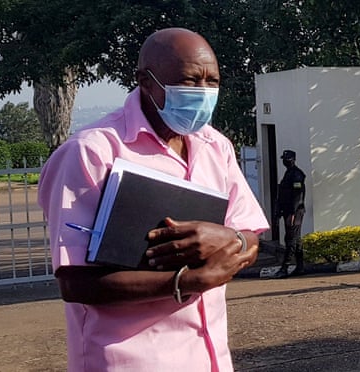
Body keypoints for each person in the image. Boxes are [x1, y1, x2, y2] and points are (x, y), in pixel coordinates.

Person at [37, 28, 269, 371]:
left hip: (208, 359)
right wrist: (188, 282)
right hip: (128, 362)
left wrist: (229, 238)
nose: (203, 93)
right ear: (145, 81)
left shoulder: (216, 147)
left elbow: (250, 237)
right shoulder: (92, 153)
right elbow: (75, 281)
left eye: (212, 81)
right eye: (190, 81)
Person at [272, 150, 306, 279]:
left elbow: (298, 196)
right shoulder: (288, 174)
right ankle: (300, 266)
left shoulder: (297, 175)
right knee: (295, 238)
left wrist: (292, 212)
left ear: (293, 159)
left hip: (295, 211)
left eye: (287, 159)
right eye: (284, 159)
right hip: (287, 211)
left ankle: (285, 267)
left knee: (291, 238)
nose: (285, 161)